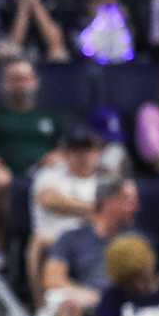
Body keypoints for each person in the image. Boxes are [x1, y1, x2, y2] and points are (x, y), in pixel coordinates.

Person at [0, 59, 64, 255]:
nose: (20, 84)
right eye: (14, 79)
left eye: (25, 79)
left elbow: (67, 150)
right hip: (7, 174)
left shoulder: (51, 117)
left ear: (35, 81)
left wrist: (57, 156)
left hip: (43, 175)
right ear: (3, 83)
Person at [42, 174, 140, 316]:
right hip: (89, 302)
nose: (135, 206)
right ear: (108, 202)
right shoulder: (71, 237)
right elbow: (52, 278)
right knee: (69, 307)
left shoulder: (137, 239)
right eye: (128, 200)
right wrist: (88, 295)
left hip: (127, 302)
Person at [26, 128, 106, 298]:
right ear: (65, 152)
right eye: (75, 149)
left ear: (96, 152)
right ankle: (42, 308)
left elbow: (114, 211)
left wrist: (78, 208)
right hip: (55, 237)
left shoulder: (104, 179)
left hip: (93, 238)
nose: (82, 154)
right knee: (40, 241)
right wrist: (96, 208)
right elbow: (50, 201)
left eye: (87, 148)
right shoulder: (50, 174)